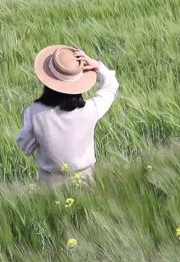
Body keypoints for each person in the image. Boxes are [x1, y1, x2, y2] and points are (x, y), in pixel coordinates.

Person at [16, 45, 119, 183]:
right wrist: (97, 66)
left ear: (46, 81)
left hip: (48, 188)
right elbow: (111, 87)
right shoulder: (92, 109)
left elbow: (26, 147)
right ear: (79, 83)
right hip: (86, 183)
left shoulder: (34, 112)